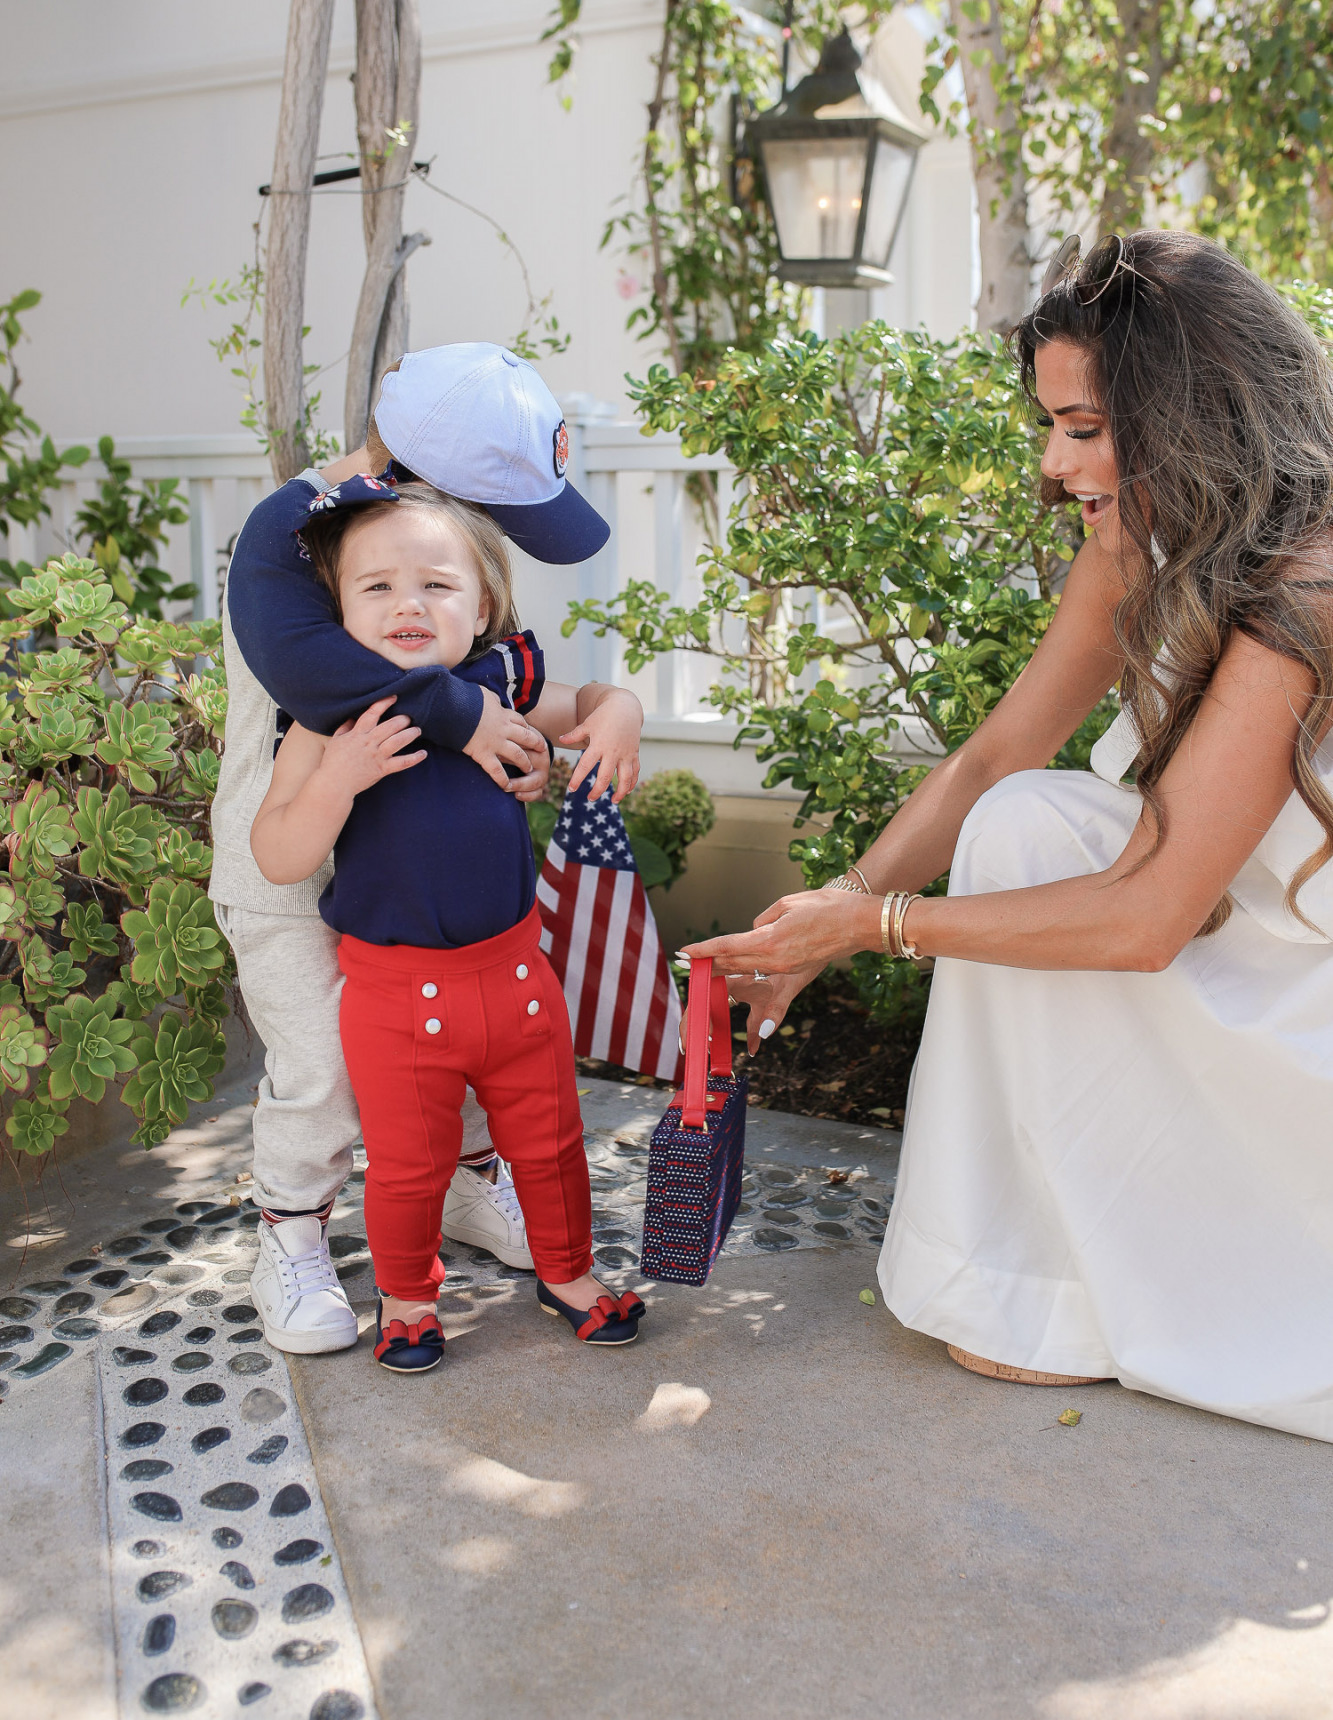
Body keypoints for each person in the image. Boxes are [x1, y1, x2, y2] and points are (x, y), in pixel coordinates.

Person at [687, 231, 1333, 1443]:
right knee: (1023, 818)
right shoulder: (1134, 545)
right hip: (1214, 914)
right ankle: (1026, 1283)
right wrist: (824, 915)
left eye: (1084, 427)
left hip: (1304, 985)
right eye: (1054, 425)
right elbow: (992, 756)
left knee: (1035, 847)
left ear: (1190, 409)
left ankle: (1187, 1291)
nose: (1054, 460)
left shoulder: (1309, 579)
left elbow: (1146, 918)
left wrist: (881, 923)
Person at [210, 343, 592, 1354]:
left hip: (415, 875)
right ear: (415, 482)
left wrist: (587, 713)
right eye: (496, 509)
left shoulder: (412, 561)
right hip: (290, 855)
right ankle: (291, 1230)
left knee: (445, 1039)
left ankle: (466, 1186)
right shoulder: (286, 537)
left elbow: (528, 697)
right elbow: (314, 664)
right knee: (328, 1063)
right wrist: (465, 714)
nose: (493, 539)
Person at [250, 467, 647, 1371]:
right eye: (377, 586)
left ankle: (570, 1274)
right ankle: (407, 1298)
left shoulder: (496, 688)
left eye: (437, 585)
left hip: (515, 980)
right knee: (406, 1164)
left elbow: (589, 703)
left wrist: (618, 711)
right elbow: (277, 851)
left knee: (547, 1145)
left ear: (482, 606)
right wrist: (341, 781)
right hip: (393, 999)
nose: (408, 605)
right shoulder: (330, 719)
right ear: (337, 612)